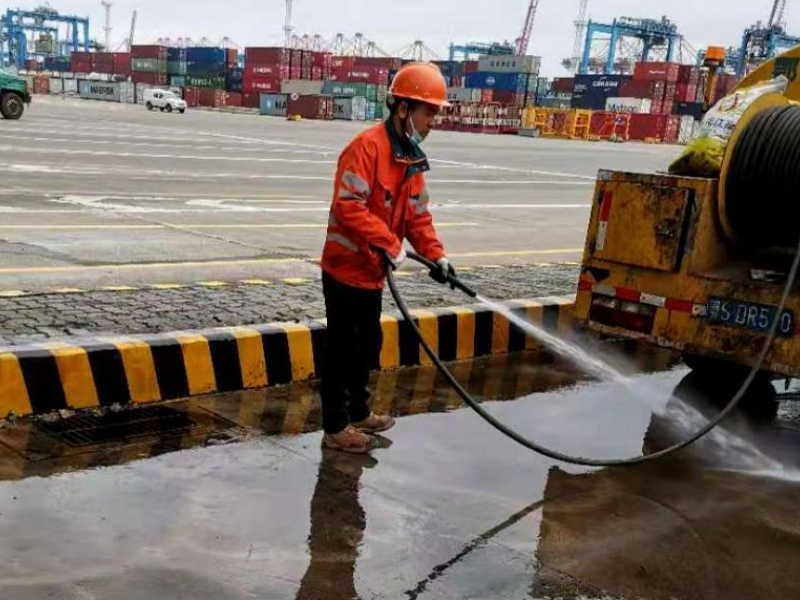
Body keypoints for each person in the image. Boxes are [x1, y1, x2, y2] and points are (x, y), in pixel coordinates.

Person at [320, 62, 457, 454]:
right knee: (342, 351)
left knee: (367, 348)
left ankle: (360, 413)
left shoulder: (410, 159)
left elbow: (417, 215)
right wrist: (388, 242)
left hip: (373, 273)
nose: (433, 121)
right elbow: (348, 206)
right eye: (428, 111)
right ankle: (334, 427)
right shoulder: (366, 148)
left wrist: (437, 257)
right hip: (345, 270)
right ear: (402, 109)